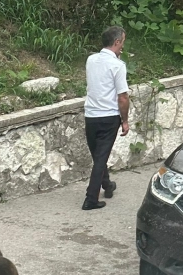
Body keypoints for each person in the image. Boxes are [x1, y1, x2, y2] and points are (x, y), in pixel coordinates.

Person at [82, 25, 129, 211]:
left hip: (91, 116)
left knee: (98, 156)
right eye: (122, 42)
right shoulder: (118, 66)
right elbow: (123, 96)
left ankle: (107, 185)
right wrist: (124, 120)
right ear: (117, 42)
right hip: (109, 117)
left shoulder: (91, 60)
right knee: (100, 158)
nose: (123, 46)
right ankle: (90, 199)